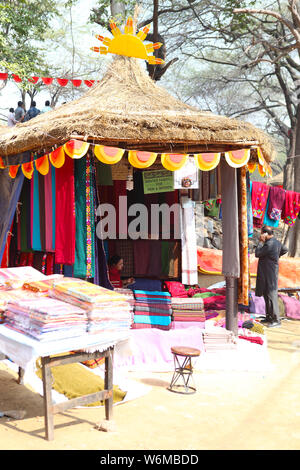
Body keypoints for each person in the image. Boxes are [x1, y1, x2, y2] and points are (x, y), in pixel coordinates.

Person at [255, 226, 288, 327]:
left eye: (261, 233)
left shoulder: (269, 244)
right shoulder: (276, 242)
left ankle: (276, 320)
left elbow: (257, 253)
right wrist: (275, 256)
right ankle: (269, 317)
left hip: (269, 273)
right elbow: (285, 249)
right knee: (266, 294)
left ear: (264, 234)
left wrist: (260, 242)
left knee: (271, 295)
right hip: (270, 272)